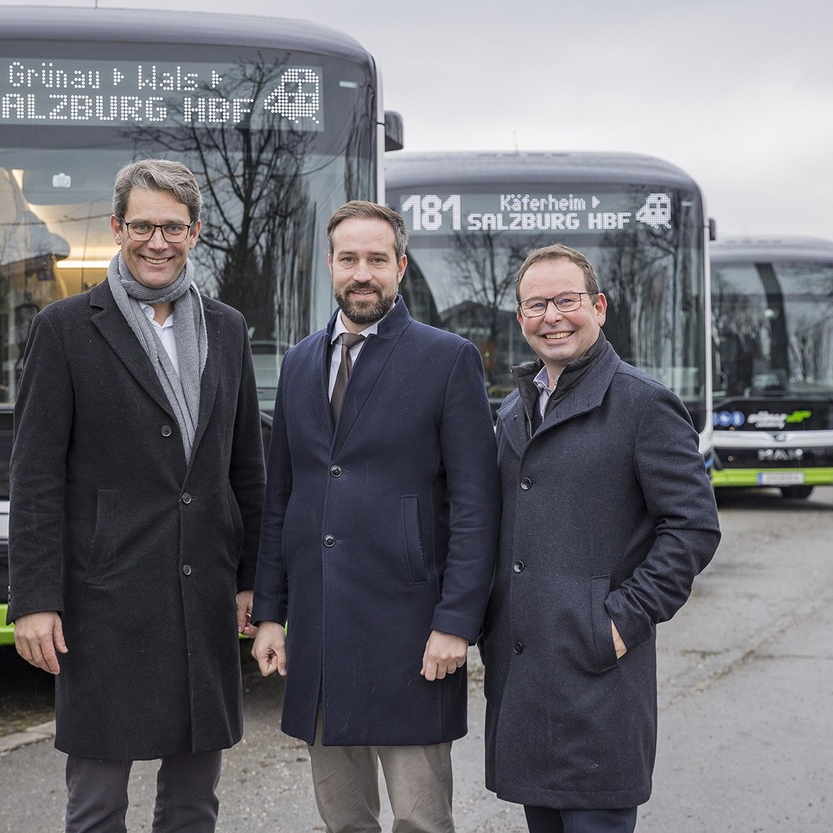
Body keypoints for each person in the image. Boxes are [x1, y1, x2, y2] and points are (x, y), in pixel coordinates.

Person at [7, 158, 266, 833]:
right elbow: (34, 478)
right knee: (97, 806)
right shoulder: (65, 329)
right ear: (117, 228)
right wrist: (34, 599)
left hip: (202, 594)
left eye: (173, 227)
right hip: (103, 601)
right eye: (143, 226)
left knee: (193, 804)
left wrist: (251, 580)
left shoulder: (228, 329)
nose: (158, 242)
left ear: (195, 232)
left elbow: (245, 467)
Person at [250, 200, 500, 833]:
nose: (362, 273)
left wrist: (456, 623)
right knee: (344, 820)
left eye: (377, 260)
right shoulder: (299, 362)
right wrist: (271, 613)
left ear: (400, 267)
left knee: (421, 821)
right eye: (349, 259)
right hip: (319, 631)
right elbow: (282, 499)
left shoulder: (448, 359)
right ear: (330, 265)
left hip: (412, 635)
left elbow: (476, 507)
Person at [483, 244, 721, 833]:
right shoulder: (514, 410)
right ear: (520, 318)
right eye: (536, 305)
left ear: (599, 307)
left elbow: (692, 526)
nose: (552, 317)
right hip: (526, 681)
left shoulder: (645, 403)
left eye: (566, 300)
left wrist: (619, 622)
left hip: (599, 682)